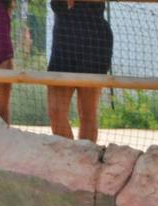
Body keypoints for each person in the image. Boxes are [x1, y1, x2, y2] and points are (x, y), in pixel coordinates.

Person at [44, 0, 110, 143]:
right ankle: (71, 156)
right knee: (55, 111)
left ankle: (85, 159)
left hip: (93, 39)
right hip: (64, 40)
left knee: (87, 112)